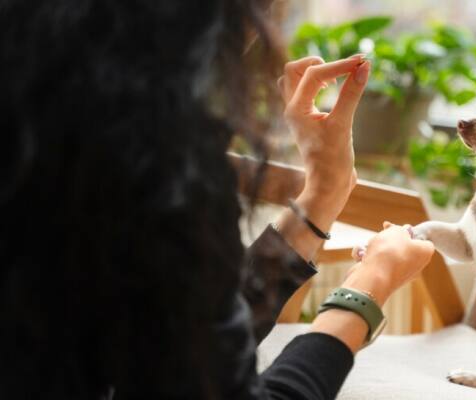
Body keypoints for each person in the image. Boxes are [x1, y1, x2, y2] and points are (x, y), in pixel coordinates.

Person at [0, 1, 435, 399]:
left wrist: (322, 195)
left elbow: (185, 349)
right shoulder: (151, 158)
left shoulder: (55, 117)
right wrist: (368, 286)